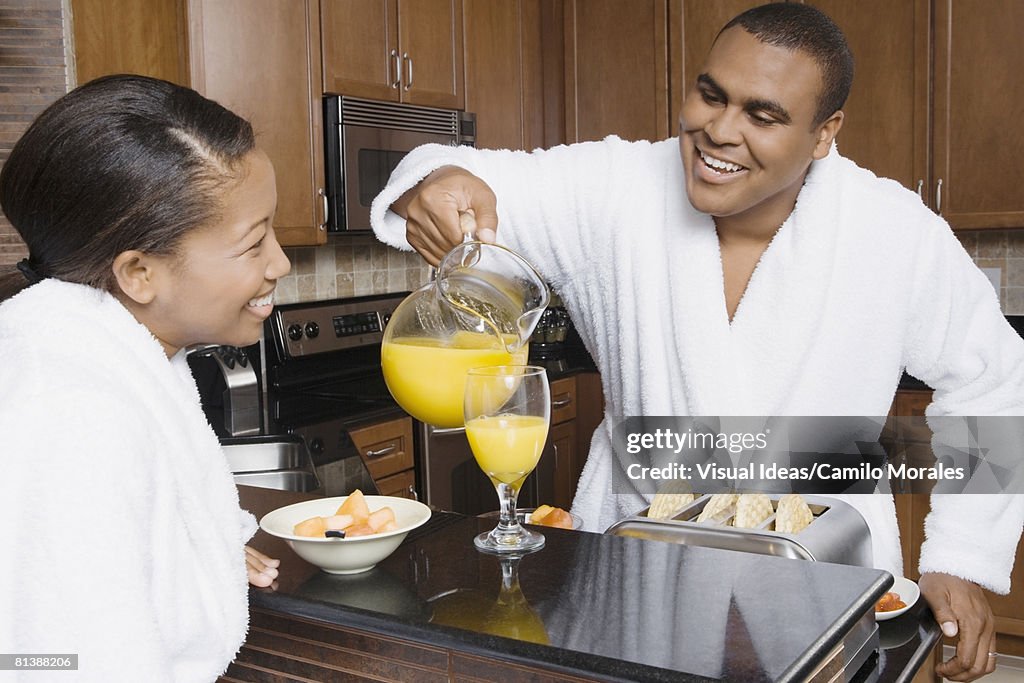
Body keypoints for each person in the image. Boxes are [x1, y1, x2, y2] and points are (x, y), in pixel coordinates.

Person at [370, 4, 1024, 681]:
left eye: (762, 116)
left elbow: (994, 375)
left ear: (824, 132)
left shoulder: (894, 231)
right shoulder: (617, 189)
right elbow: (460, 175)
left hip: (829, 579)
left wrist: (961, 556)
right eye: (711, 95)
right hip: (635, 568)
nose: (719, 130)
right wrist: (436, 183)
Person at [0, 75, 289, 680]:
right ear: (138, 272)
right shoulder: (72, 412)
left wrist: (191, 555)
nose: (280, 263)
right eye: (255, 242)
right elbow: (47, 662)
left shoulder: (105, 359)